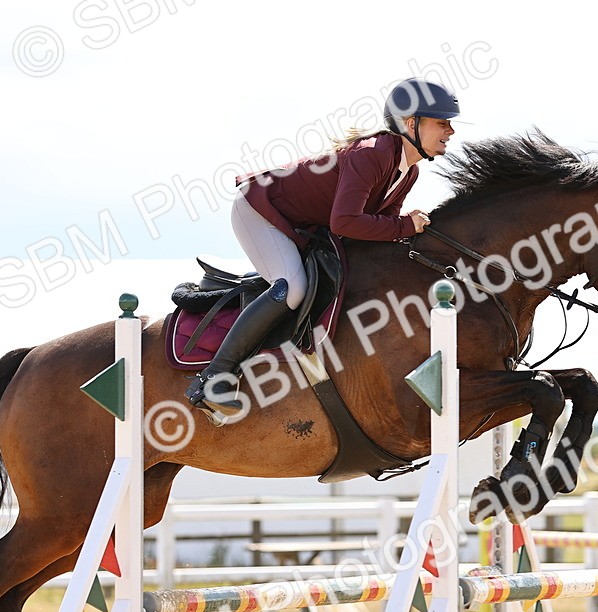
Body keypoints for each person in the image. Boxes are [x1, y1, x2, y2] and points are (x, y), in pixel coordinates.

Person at [185, 78, 461, 424]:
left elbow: (380, 226)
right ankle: (214, 379)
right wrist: (406, 226)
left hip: (301, 226)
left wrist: (408, 233)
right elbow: (345, 222)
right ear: (411, 124)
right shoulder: (372, 153)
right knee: (292, 288)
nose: (450, 131)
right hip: (261, 211)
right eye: (442, 122)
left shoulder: (408, 172)